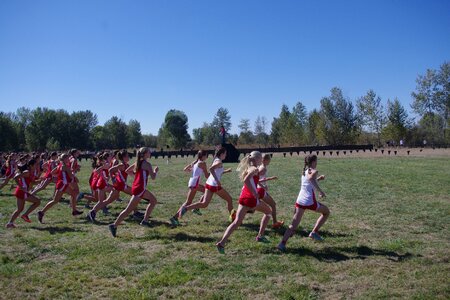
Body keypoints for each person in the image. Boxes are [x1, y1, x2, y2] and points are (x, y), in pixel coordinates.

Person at [215, 151, 272, 254]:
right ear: (257, 159)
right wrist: (254, 192)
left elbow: (251, 181)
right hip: (250, 199)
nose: (261, 160)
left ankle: (222, 243)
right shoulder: (254, 168)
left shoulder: (249, 168)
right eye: (260, 158)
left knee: (236, 222)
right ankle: (260, 236)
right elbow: (246, 180)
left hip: (243, 197)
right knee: (268, 212)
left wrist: (261, 187)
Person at [277, 154, 330, 252]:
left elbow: (309, 182)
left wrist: (318, 179)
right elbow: (310, 179)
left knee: (293, 225)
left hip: (300, 200)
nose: (317, 163)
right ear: (313, 162)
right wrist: (320, 191)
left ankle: (282, 243)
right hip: (309, 201)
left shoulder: (305, 171)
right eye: (316, 161)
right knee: (326, 212)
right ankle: (314, 232)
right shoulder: (314, 171)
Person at [177, 146, 235, 224]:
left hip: (209, 184)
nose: (226, 155)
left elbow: (215, 172)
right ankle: (233, 219)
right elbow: (211, 169)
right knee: (229, 199)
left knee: (204, 204)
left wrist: (226, 171)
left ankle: (186, 208)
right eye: (225, 153)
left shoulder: (216, 160)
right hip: (214, 185)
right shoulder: (219, 162)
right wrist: (217, 181)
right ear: (221, 154)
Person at [108, 147, 159, 237]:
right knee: (128, 210)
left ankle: (145, 221)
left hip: (139, 187)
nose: (150, 153)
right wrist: (155, 171)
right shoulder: (147, 164)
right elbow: (153, 177)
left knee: (153, 201)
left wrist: (136, 177)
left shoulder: (137, 162)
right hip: (140, 189)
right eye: (149, 152)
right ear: (145, 154)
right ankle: (114, 225)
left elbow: (128, 171)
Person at [37, 154, 83, 223]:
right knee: (55, 200)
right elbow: (71, 176)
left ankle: (74, 211)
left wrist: (59, 177)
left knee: (74, 194)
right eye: (68, 158)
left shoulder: (60, 165)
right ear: (64, 159)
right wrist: (75, 175)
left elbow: (52, 172)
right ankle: (41, 212)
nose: (69, 160)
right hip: (63, 185)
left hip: (63, 184)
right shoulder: (66, 167)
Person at [170, 150, 209, 225]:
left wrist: (191, 169)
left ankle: (196, 208)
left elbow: (185, 169)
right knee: (188, 202)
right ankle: (175, 218)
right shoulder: (203, 163)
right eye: (206, 155)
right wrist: (216, 174)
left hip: (192, 182)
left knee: (206, 191)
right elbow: (207, 175)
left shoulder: (195, 162)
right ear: (203, 156)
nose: (207, 157)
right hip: (195, 183)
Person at [5, 159, 41, 228]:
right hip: (22, 192)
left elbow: (33, 182)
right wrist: (20, 186)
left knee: (20, 209)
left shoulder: (31, 172)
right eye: (36, 164)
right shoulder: (27, 172)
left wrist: (40, 181)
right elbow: (15, 178)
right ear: (31, 165)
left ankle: (10, 223)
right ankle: (25, 215)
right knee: (37, 201)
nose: (37, 166)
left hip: (23, 192)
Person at [258, 154, 284, 229]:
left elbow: (260, 179)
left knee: (251, 207)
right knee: (273, 204)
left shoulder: (261, 167)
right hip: (260, 190)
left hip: (260, 189)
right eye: (269, 159)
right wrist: (263, 186)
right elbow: (256, 180)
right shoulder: (263, 168)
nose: (270, 161)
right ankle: (275, 223)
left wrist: (269, 180)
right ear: (266, 160)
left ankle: (238, 216)